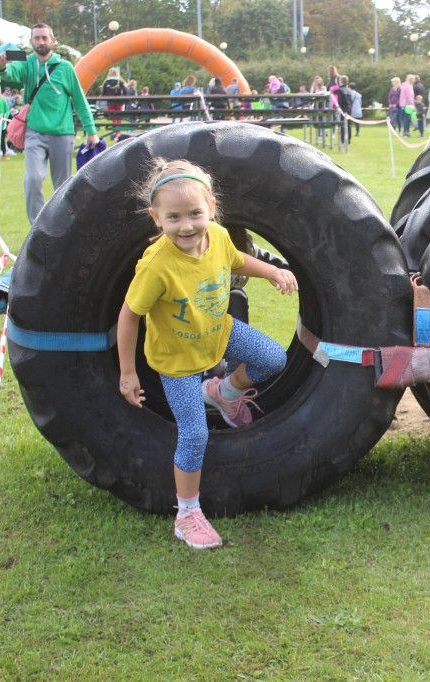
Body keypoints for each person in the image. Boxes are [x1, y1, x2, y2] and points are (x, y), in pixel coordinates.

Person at [117, 159, 298, 549]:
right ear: (156, 217)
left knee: (273, 359)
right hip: (177, 361)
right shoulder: (157, 266)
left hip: (218, 334)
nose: (186, 226)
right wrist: (128, 373)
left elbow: (235, 260)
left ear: (211, 207)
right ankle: (187, 514)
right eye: (174, 217)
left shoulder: (216, 235)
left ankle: (224, 393)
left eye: (195, 214)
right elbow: (129, 316)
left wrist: (271, 272)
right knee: (195, 433)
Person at [0, 24, 99, 224]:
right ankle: (37, 226)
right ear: (31, 42)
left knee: (62, 185)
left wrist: (91, 130)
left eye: (44, 37)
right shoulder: (26, 62)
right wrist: (1, 66)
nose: (41, 41)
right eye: (37, 38)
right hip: (35, 131)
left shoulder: (65, 67)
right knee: (33, 179)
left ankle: (61, 225)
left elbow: (79, 100)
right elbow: (10, 72)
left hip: (62, 133)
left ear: (53, 40)